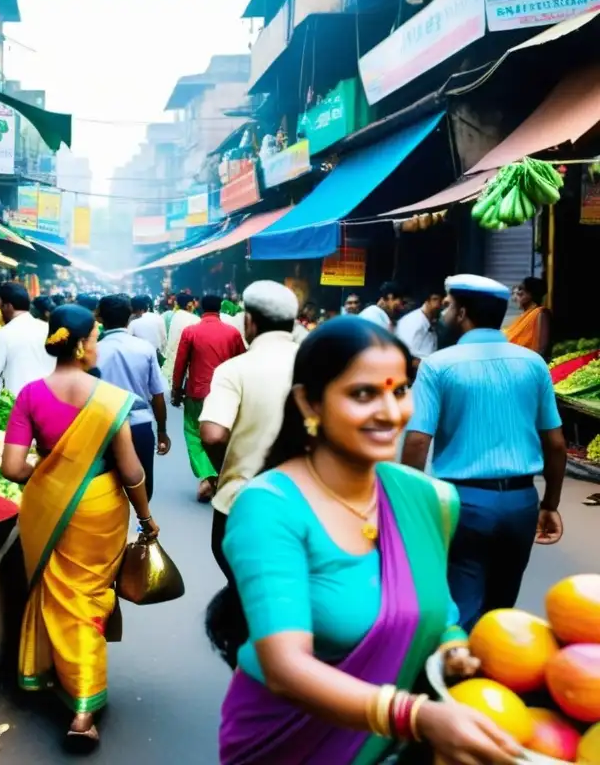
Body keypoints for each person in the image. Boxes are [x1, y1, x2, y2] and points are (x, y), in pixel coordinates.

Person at [207, 316, 521, 765]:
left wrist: (453, 647)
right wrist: (417, 717)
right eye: (363, 394)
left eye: (399, 390)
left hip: (396, 749)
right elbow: (285, 667)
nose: (391, 413)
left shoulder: (430, 498)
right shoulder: (269, 506)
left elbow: (439, 608)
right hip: (287, 743)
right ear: (309, 403)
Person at [2, 304, 159, 745]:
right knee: (87, 601)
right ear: (81, 344)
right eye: (93, 338)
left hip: (47, 507)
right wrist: (146, 519)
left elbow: (13, 467)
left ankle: (46, 672)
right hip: (100, 509)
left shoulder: (31, 394)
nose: (96, 346)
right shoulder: (109, 400)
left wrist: (56, 474)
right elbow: (131, 473)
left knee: (55, 592)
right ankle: (83, 713)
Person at [402, 274, 565, 631]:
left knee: (460, 608)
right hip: (522, 502)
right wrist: (549, 504)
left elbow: (417, 442)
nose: (443, 312)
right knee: (501, 612)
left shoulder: (438, 365)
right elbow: (555, 443)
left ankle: (459, 680)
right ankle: (492, 676)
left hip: (462, 503)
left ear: (462, 313)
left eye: (448, 305)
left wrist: (407, 504)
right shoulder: (533, 364)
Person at [199, 282, 300, 579]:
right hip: (304, 500)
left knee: (242, 585)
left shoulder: (234, 369)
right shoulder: (317, 364)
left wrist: (223, 472)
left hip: (241, 500)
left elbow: (213, 434)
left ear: (250, 321)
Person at [95, 294, 171, 500]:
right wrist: (162, 431)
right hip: (139, 426)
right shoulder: (144, 348)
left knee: (105, 489)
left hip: (102, 427)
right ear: (129, 316)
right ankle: (142, 527)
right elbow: (157, 394)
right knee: (142, 487)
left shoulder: (92, 351)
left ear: (99, 317)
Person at [172, 294, 246, 502]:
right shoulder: (232, 333)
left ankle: (209, 475)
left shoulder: (191, 331)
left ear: (199, 307)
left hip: (197, 393)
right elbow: (242, 362)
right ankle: (222, 476)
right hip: (226, 394)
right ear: (221, 307)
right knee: (223, 435)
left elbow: (180, 365)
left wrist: (176, 391)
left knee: (194, 434)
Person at [0, 283, 56, 410]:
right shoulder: (48, 329)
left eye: (0, 305)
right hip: (49, 404)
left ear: (8, 306)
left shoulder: (3, 334)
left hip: (20, 408)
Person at [395, 286, 445, 369]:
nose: (440, 306)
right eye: (436, 300)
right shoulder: (412, 322)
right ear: (428, 301)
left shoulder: (432, 321)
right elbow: (405, 357)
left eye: (441, 302)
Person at [505, 276, 551, 356]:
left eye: (521, 289)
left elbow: (542, 348)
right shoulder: (525, 315)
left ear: (530, 294)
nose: (518, 293)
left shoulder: (540, 313)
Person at [163, 292, 200, 382]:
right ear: (189, 304)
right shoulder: (195, 319)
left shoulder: (174, 316)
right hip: (185, 363)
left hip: (170, 362)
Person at [128, 294, 167, 363]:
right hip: (157, 357)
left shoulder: (133, 322)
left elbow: (128, 342)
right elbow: (164, 340)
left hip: (139, 359)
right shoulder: (159, 318)